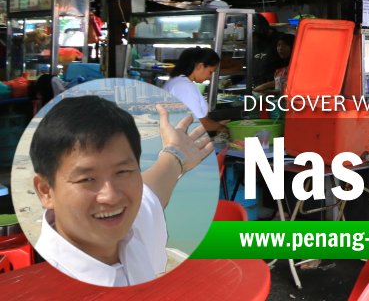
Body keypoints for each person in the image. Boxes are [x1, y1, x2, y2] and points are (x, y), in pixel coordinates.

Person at [30, 96, 213, 286]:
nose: (111, 196)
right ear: (46, 191)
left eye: (123, 171)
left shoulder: (130, 227)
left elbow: (153, 190)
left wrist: (176, 153)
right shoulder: (48, 285)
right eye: (87, 179)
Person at [164, 47, 228, 135]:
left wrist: (218, 124)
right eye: (210, 72)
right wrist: (221, 127)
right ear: (200, 66)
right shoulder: (184, 86)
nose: (210, 77)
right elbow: (200, 123)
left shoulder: (179, 82)